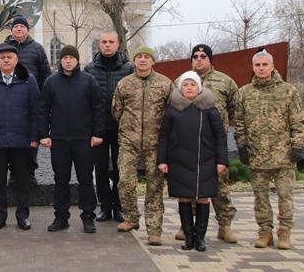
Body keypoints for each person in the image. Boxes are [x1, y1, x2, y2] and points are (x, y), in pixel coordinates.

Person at [235, 50, 304, 250]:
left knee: (285, 196)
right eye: (258, 65)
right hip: (257, 155)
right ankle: (264, 231)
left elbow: (298, 121)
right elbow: (239, 122)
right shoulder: (245, 92)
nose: (261, 68)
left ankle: (284, 232)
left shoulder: (288, 91)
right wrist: (241, 145)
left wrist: (297, 145)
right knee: (260, 197)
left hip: (283, 154)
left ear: (272, 66)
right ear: (253, 67)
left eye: (265, 64)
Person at [174, 44, 240, 243]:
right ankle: (187, 227)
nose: (199, 59)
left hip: (212, 144)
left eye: (203, 56)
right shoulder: (181, 81)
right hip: (187, 144)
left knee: (219, 186)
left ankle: (225, 225)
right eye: (195, 56)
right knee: (188, 185)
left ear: (210, 59)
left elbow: (236, 109)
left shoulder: (225, 81)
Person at [157, 71, 228, 252]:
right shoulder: (173, 110)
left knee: (203, 197)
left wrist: (222, 160)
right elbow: (164, 136)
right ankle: (188, 237)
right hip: (179, 160)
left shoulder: (209, 109)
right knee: (184, 197)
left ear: (199, 88)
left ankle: (200, 238)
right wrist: (162, 160)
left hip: (205, 160)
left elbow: (220, 136)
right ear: (181, 88)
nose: (189, 88)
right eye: (186, 85)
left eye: (193, 85)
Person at [39, 45, 105, 234]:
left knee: (85, 180)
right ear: (60, 60)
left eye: (72, 57)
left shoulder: (88, 81)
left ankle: (88, 217)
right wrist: (43, 134)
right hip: (59, 140)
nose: (68, 60)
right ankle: (61, 218)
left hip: (83, 140)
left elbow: (98, 108)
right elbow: (43, 109)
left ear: (77, 60)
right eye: (65, 57)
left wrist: (98, 133)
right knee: (61, 180)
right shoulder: (51, 82)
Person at [113, 46, 173, 246]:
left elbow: (171, 112)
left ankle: (154, 230)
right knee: (125, 183)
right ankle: (131, 217)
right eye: (139, 57)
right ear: (134, 61)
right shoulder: (124, 84)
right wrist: (129, 128)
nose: (143, 60)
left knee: (154, 187)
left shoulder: (165, 84)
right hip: (129, 141)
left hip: (155, 143)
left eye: (147, 57)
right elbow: (116, 111)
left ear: (153, 61)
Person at [0, 43, 40, 231]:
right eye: (2, 57)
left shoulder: (28, 80)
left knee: (22, 180)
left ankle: (23, 216)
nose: (6, 60)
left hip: (22, 140)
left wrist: (34, 136)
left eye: (9, 57)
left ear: (16, 59)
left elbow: (36, 110)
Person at [83, 31, 134, 223]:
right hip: (99, 129)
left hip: (122, 129)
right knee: (101, 169)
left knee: (120, 170)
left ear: (118, 44)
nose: (107, 45)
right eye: (103, 42)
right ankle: (104, 207)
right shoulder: (90, 69)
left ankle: (119, 207)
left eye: (111, 42)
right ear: (99, 45)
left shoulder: (128, 69)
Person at [4, 15, 51, 185]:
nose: (18, 29)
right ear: (12, 30)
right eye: (15, 26)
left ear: (27, 30)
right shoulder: (4, 48)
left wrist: (41, 93)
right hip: (9, 99)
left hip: (31, 100)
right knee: (11, 137)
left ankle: (30, 172)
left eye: (22, 27)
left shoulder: (37, 48)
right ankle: (13, 173)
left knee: (32, 137)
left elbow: (45, 73)